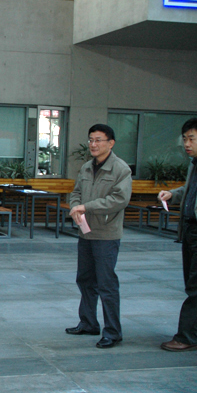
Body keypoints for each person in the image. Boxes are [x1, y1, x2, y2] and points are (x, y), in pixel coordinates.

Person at [158, 118, 197, 352]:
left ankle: (186, 338)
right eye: (184, 138)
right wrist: (173, 195)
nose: (186, 143)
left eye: (192, 139)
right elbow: (194, 190)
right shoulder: (196, 163)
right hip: (192, 231)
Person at [67, 124, 132, 349]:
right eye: (91, 140)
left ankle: (113, 332)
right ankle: (88, 323)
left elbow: (119, 200)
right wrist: (75, 206)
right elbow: (76, 192)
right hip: (85, 232)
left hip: (106, 234)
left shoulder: (121, 169)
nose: (93, 144)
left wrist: (87, 207)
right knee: (85, 279)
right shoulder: (86, 167)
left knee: (106, 284)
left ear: (110, 143)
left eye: (98, 140)